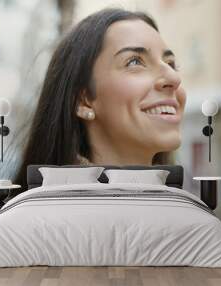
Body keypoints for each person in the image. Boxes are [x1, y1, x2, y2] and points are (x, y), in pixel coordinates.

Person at [12, 8, 186, 192]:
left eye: (170, 64)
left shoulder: (189, 213)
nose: (174, 78)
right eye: (135, 61)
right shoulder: (12, 219)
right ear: (84, 100)